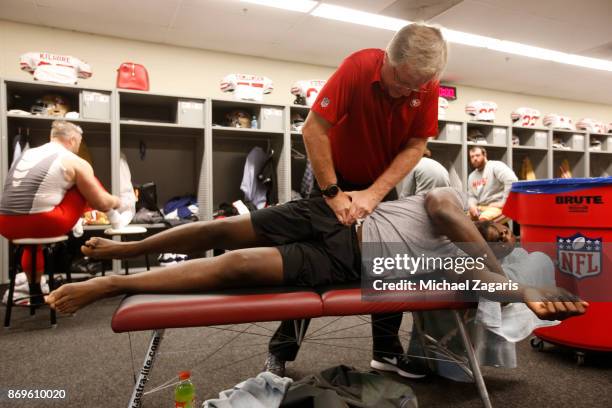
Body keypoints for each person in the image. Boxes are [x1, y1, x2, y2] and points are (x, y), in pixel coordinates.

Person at [46, 188, 587, 341]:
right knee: (219, 228)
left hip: (345, 258)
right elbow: (447, 211)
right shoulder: (449, 202)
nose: (502, 230)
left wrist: (526, 298)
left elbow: (483, 283)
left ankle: (116, 283)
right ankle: (122, 248)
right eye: (501, 224)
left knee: (237, 265)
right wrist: (499, 267)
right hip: (333, 211)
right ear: (487, 216)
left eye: (508, 234)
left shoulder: (460, 266)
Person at [266, 22, 448, 378]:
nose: (405, 92)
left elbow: (416, 145)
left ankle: (386, 352)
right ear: (388, 60)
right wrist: (333, 193)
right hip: (332, 175)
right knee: (311, 263)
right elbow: (313, 129)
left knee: (389, 264)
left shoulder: (425, 86)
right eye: (401, 82)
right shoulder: (358, 67)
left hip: (378, 182)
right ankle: (281, 351)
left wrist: (376, 193)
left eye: (416, 86)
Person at [0, 120, 122, 300]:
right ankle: (116, 219)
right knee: (83, 185)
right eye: (79, 143)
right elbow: (101, 203)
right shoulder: (74, 160)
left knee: (33, 246)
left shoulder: (28, 154)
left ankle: (34, 291)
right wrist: (117, 201)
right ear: (73, 140)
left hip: (5, 224)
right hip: (43, 223)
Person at [467, 146, 518, 222]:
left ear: (484, 155)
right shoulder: (472, 176)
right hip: (480, 207)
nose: (475, 159)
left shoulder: (495, 166)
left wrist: (504, 203)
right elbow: (472, 196)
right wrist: (472, 205)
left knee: (483, 221)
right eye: (472, 157)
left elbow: (512, 181)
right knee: (462, 221)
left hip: (496, 207)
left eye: (477, 155)